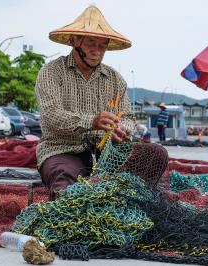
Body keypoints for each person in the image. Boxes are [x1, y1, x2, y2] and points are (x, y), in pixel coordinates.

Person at [35, 6, 168, 200]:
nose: (97, 51)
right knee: (65, 184)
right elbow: (51, 114)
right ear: (74, 40)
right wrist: (92, 121)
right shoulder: (52, 72)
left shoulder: (115, 78)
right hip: (62, 150)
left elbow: (128, 118)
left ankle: (128, 203)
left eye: (102, 45)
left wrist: (122, 130)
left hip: (107, 153)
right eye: (91, 43)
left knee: (156, 154)